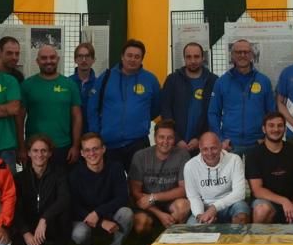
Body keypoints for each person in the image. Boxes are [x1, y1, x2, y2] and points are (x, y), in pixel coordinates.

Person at [87, 39, 161, 172]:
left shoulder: (150, 80)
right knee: (112, 186)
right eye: (129, 55)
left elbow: (156, 107)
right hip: (109, 143)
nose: (132, 59)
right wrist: (97, 134)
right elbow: (92, 108)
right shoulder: (106, 77)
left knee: (140, 185)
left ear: (142, 59)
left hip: (138, 143)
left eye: (137, 56)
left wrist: (140, 121)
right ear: (122, 56)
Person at [247, 113, 293, 224]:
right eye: (271, 126)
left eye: (280, 125)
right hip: (267, 202)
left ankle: (290, 240)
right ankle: (260, 240)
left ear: (285, 129)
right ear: (264, 129)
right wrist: (283, 201)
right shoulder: (254, 154)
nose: (276, 129)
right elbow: (257, 190)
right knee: (261, 210)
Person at [207, 39, 275, 156]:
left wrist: (266, 137)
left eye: (246, 52)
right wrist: (220, 139)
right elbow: (213, 113)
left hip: (258, 142)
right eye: (238, 52)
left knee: (256, 175)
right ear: (232, 55)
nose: (242, 55)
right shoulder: (221, 82)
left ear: (252, 55)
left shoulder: (264, 81)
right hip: (230, 144)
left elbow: (272, 113)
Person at [68, 133, 133, 245]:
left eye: (95, 149)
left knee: (126, 213)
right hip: (85, 218)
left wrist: (98, 213)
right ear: (82, 153)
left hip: (107, 214)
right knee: (79, 234)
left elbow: (123, 197)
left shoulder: (115, 167)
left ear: (103, 149)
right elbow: (74, 206)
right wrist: (100, 222)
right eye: (87, 150)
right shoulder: (75, 174)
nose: (91, 154)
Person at [11, 134, 70, 245]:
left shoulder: (59, 174)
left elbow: (64, 199)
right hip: (30, 225)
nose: (40, 154)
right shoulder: (19, 178)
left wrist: (44, 219)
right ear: (29, 153)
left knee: (64, 212)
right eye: (35, 151)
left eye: (44, 151)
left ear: (49, 153)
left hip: (51, 223)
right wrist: (26, 233)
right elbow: (14, 208)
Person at [20, 45, 82, 168]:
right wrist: (21, 147)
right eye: (44, 58)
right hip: (35, 149)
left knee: (61, 186)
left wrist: (76, 146)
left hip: (63, 147)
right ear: (37, 61)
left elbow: (77, 117)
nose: (48, 61)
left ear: (58, 59)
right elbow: (19, 119)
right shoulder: (27, 85)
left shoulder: (70, 85)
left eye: (52, 57)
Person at [128, 120, 191, 236]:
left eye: (170, 138)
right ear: (154, 137)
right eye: (161, 137)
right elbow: (135, 191)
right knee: (142, 223)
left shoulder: (182, 155)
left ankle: (172, 238)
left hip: (169, 201)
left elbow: (184, 189)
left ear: (174, 139)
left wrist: (154, 197)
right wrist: (159, 214)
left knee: (184, 206)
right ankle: (149, 243)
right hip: (146, 204)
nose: (165, 142)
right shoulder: (140, 156)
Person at [160, 42, 218, 154]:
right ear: (184, 58)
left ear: (203, 58)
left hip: (203, 145)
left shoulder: (213, 81)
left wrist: (200, 137)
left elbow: (214, 113)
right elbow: (165, 110)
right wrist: (176, 139)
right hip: (176, 144)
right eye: (189, 57)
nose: (193, 61)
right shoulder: (172, 80)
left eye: (196, 57)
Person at [183, 132, 251, 224]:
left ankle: (236, 238)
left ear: (220, 146)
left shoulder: (234, 160)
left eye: (213, 148)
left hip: (230, 204)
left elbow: (239, 193)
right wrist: (200, 216)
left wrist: (214, 208)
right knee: (193, 231)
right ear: (199, 148)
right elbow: (193, 197)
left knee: (242, 214)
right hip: (204, 208)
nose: (210, 153)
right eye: (205, 149)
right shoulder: (190, 166)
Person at [69, 42, 98, 132]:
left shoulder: (99, 84)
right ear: (75, 59)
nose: (84, 60)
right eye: (80, 56)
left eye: (87, 56)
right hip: (70, 133)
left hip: (91, 134)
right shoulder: (67, 83)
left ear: (93, 60)